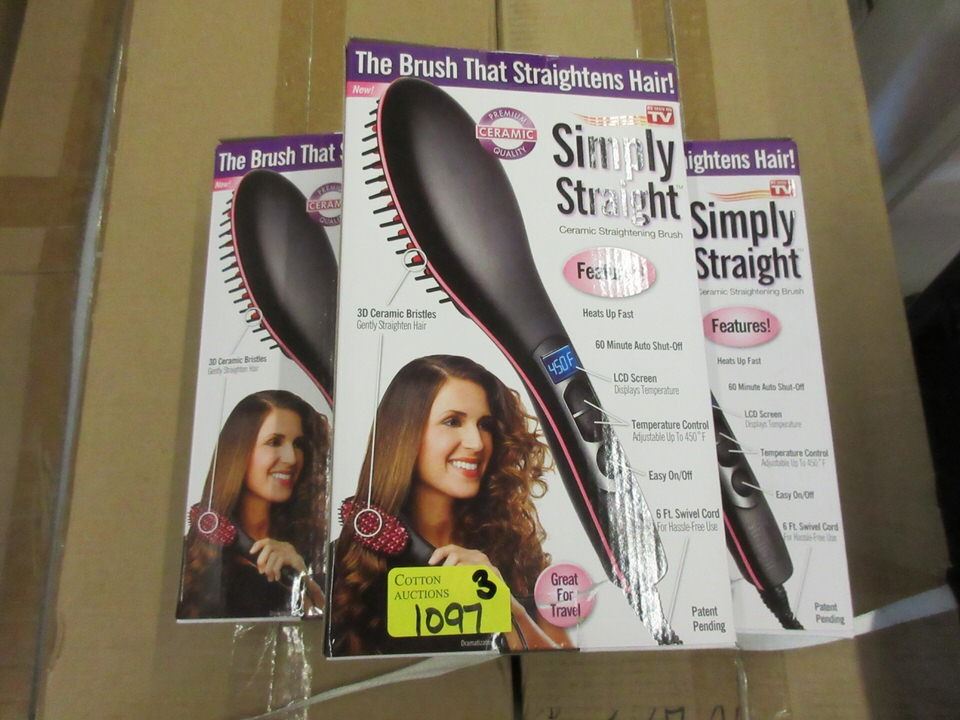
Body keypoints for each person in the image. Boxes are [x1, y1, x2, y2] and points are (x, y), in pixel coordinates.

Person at [329, 355, 572, 654]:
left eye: (485, 425)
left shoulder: (517, 551)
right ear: (405, 434)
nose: (476, 442)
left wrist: (506, 609)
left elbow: (562, 669)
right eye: (452, 421)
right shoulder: (347, 566)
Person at [178, 389, 328, 619]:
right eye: (274, 442)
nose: (291, 458)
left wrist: (303, 579)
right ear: (239, 451)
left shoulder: (318, 552)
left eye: (298, 444)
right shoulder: (186, 560)